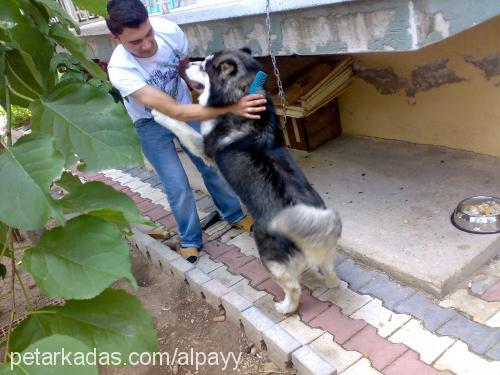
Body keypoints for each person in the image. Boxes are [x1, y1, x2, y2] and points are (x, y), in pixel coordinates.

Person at [106, 0, 266, 263]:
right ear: (116, 38)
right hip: (150, 123)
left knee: (211, 164)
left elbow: (182, 63)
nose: (146, 45)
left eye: (148, 34)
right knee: (177, 184)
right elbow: (173, 112)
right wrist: (231, 107)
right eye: (135, 42)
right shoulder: (121, 69)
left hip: (183, 105)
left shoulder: (168, 31)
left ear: (150, 21)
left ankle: (234, 214)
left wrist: (193, 82)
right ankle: (190, 240)